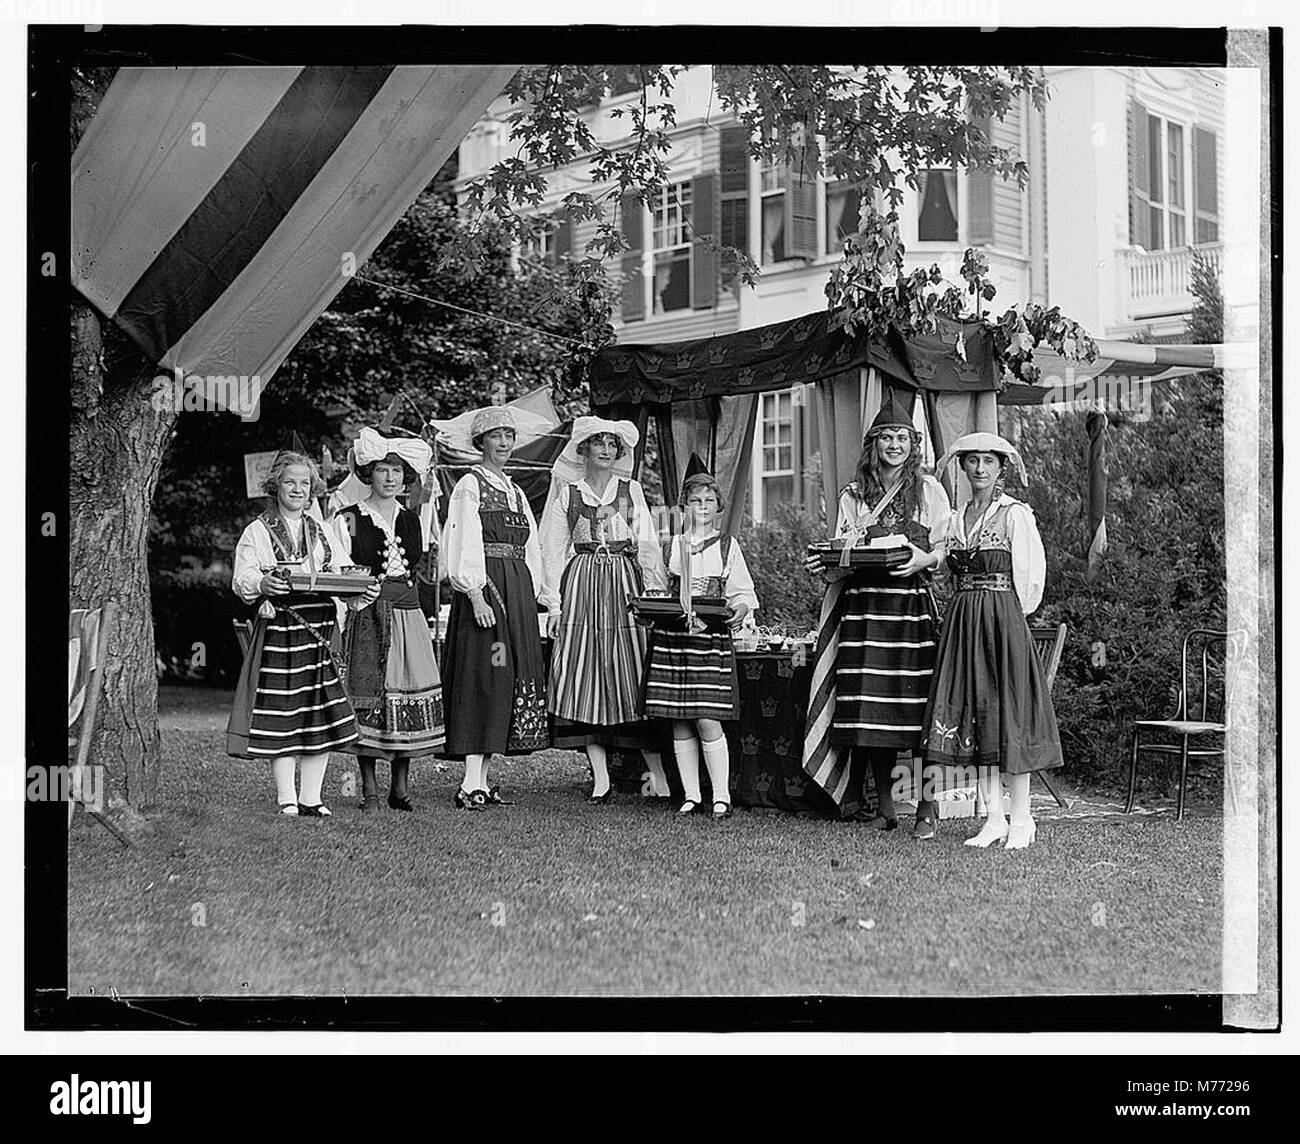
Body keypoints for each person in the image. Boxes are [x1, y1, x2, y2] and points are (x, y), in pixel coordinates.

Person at [803, 393, 951, 838]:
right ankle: (886, 805)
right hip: (865, 608)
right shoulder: (854, 494)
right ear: (873, 444)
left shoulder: (930, 490)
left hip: (909, 608)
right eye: (886, 437)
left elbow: (946, 549)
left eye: (902, 438)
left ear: (913, 444)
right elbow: (843, 551)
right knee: (873, 711)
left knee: (917, 709)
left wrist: (925, 561)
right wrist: (825, 563)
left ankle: (927, 806)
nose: (894, 445)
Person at [923, 431, 1063, 850]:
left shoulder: (1014, 514)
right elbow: (938, 563)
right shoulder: (954, 518)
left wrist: (1008, 623)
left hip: (1001, 621)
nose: (980, 468)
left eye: (989, 461)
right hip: (963, 620)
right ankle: (994, 818)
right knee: (976, 714)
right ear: (963, 468)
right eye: (973, 461)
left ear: (1001, 469)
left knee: (1009, 717)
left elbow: (1030, 577)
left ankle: (1023, 818)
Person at [228, 450, 377, 816]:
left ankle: (312, 797)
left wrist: (362, 590)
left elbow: (342, 572)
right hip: (282, 625)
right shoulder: (257, 530)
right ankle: (287, 799)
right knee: (283, 709)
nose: (297, 489)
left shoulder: (324, 529)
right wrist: (262, 582)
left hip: (321, 629)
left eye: (305, 483)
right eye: (290, 482)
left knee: (318, 710)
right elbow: (242, 578)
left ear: (313, 490)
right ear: (275, 486)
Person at [538, 416, 671, 802]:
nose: (607, 451)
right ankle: (600, 778)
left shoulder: (631, 491)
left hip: (625, 586)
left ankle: (657, 774)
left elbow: (646, 543)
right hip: (581, 584)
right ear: (584, 449)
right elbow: (551, 549)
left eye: (613, 445)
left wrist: (654, 592)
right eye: (599, 443)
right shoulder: (569, 492)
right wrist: (554, 605)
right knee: (586, 671)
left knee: (632, 669)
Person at [440, 406, 548, 810]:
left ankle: (482, 779)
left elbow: (532, 548)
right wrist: (476, 594)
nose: (503, 443)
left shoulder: (516, 491)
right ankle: (469, 783)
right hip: (487, 592)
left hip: (516, 590)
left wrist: (539, 595)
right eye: (496, 436)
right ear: (480, 441)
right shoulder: (470, 486)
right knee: (486, 674)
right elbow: (463, 542)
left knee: (507, 677)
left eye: (508, 436)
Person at [334, 428, 445, 813]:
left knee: (409, 693)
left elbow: (417, 564)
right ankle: (368, 789)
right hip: (369, 613)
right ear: (369, 473)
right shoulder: (347, 518)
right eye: (383, 469)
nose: (390, 478)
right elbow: (339, 568)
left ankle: (400, 788)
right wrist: (353, 600)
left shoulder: (412, 520)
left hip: (409, 614)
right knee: (371, 697)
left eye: (397, 471)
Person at [643, 462, 759, 820]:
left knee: (708, 718)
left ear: (718, 505)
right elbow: (657, 591)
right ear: (684, 506)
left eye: (709, 500)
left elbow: (743, 595)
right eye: (695, 500)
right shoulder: (670, 546)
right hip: (675, 638)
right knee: (679, 719)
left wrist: (736, 613)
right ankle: (691, 795)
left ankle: (721, 795)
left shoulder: (726, 546)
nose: (703, 506)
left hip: (709, 638)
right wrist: (656, 607)